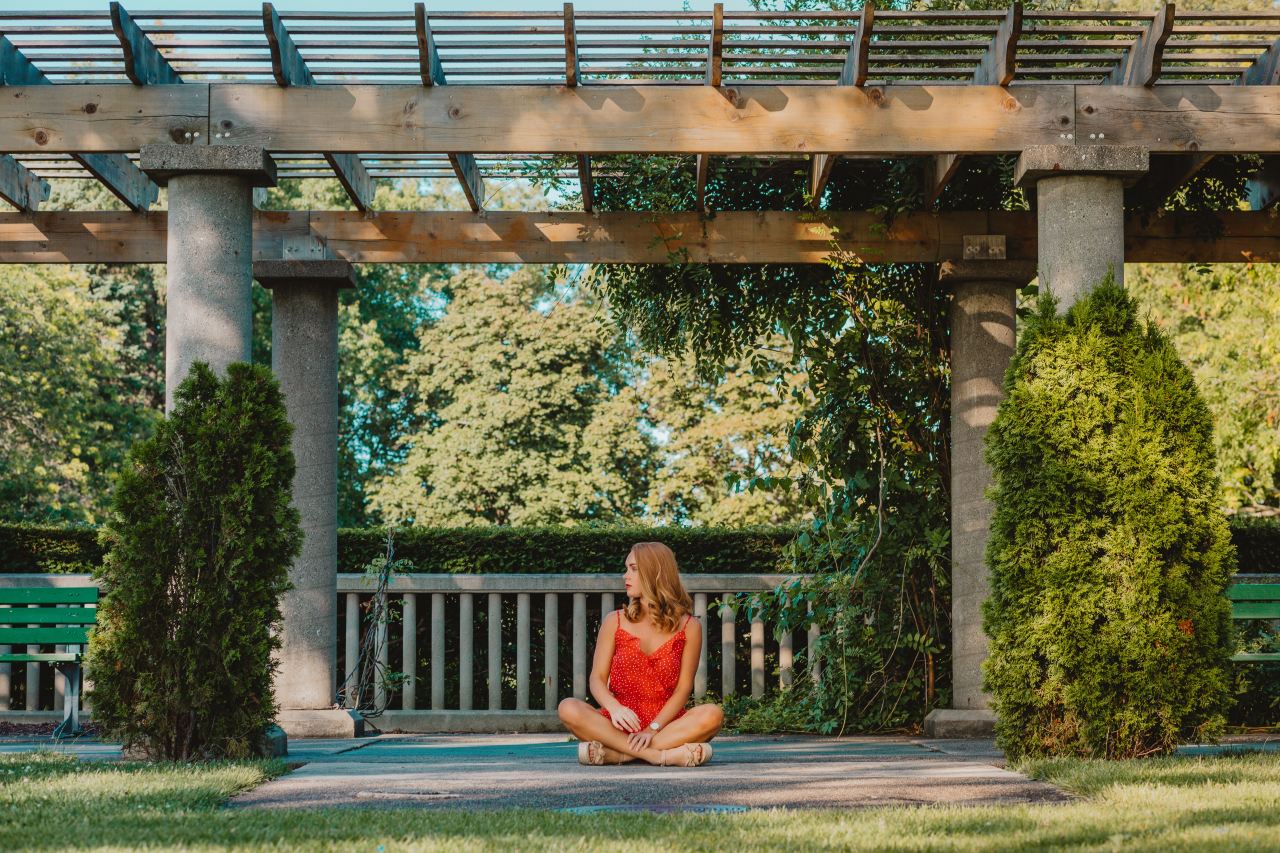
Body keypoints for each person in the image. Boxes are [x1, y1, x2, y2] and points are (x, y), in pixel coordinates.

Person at [557, 542, 724, 766]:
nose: (625, 575)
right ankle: (660, 756)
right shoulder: (614, 621)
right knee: (568, 707)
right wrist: (614, 708)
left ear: (655, 573)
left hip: (665, 724)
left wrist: (652, 729)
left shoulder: (690, 626)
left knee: (713, 714)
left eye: (633, 569)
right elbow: (596, 679)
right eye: (626, 568)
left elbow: (684, 689)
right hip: (619, 723)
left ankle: (618, 753)